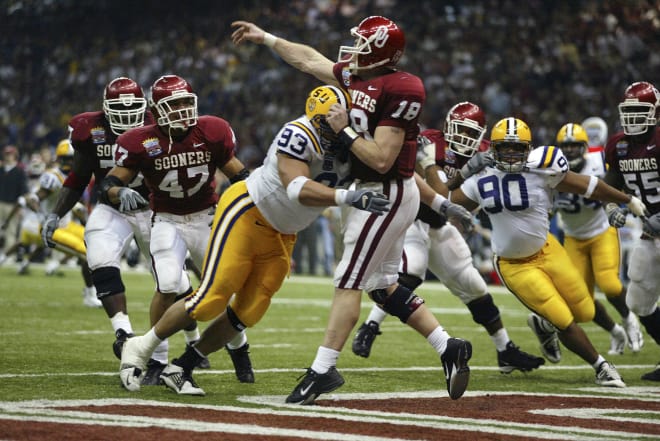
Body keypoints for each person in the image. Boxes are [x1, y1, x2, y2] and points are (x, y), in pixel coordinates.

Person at [231, 16, 475, 404]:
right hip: (379, 192)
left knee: (348, 282)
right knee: (382, 286)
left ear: (382, 51)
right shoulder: (357, 76)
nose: (354, 51)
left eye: (364, 44)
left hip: (384, 193)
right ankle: (449, 347)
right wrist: (267, 38)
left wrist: (344, 130)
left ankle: (322, 371)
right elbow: (310, 60)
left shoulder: (403, 87)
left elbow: (381, 159)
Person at [118, 84, 390, 395]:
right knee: (211, 298)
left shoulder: (354, 142)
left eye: (338, 122)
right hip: (247, 212)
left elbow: (386, 162)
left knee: (250, 310)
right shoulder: (299, 133)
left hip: (284, 232)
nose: (330, 130)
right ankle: (139, 348)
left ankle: (182, 367)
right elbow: (297, 188)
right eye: (324, 123)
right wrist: (349, 196)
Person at [449, 116, 648, 388]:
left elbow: (588, 186)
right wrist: (461, 173)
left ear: (528, 149)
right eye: (504, 147)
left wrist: (627, 199)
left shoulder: (542, 169)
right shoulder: (480, 178)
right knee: (562, 318)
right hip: (513, 264)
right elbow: (442, 200)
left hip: (548, 249)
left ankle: (543, 327)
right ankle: (601, 366)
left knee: (585, 310)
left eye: (516, 148)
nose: (510, 154)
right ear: (492, 149)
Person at [352, 102, 545, 374]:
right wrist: (432, 163)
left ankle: (505, 350)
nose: (463, 138)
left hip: (441, 225)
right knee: (413, 269)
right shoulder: (430, 142)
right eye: (459, 130)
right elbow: (438, 192)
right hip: (413, 220)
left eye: (470, 132)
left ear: (481, 135)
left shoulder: (487, 152)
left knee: (475, 286)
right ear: (447, 127)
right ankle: (370, 326)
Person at [102, 74, 254, 385]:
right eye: (175, 104)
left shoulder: (212, 130)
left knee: (222, 288)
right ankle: (156, 359)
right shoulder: (140, 141)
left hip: (206, 218)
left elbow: (239, 173)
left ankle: (240, 349)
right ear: (157, 110)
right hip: (167, 220)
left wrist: (258, 194)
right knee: (169, 284)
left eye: (187, 101)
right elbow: (110, 183)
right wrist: (121, 193)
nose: (183, 108)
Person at [43, 77, 157, 364]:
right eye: (117, 107)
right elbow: (80, 176)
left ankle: (195, 341)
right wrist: (56, 213)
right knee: (98, 255)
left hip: (155, 208)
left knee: (172, 279)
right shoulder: (88, 129)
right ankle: (123, 335)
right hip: (111, 206)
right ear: (105, 108)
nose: (126, 116)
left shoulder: (158, 125)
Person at [553, 122, 643, 354]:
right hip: (573, 238)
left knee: (611, 284)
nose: (571, 150)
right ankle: (615, 331)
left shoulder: (598, 164)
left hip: (601, 231)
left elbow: (621, 180)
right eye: (566, 146)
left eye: (575, 146)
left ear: (585, 147)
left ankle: (628, 318)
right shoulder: (550, 169)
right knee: (581, 301)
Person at [602, 81, 660, 381]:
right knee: (637, 301)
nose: (634, 118)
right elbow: (610, 185)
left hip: (655, 224)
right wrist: (612, 207)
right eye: (629, 111)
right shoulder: (618, 144)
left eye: (641, 111)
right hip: (650, 234)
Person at [22, 140, 101, 307]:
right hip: (52, 227)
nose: (75, 161)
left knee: (97, 246)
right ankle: (90, 294)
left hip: (67, 225)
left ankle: (92, 291)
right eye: (71, 158)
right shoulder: (53, 176)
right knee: (86, 254)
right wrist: (43, 214)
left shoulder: (76, 175)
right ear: (63, 159)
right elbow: (34, 197)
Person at [0, 145, 30, 264]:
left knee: (11, 231)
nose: (8, 156)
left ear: (15, 155)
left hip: (13, 205)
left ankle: (9, 256)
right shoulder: (1, 169)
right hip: (0, 202)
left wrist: (20, 206)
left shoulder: (19, 171)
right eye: (6, 154)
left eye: (10, 154)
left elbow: (23, 190)